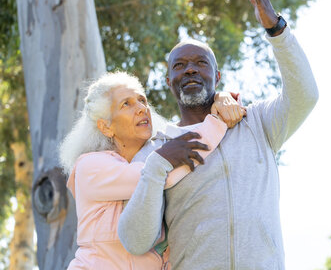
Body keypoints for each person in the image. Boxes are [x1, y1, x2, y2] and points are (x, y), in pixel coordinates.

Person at [118, 0, 319, 269]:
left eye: (201, 62)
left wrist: (277, 30)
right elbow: (135, 240)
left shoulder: (257, 123)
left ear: (217, 76)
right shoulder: (154, 151)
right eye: (180, 65)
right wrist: (158, 164)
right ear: (169, 81)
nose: (190, 69)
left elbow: (306, 95)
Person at [58, 71, 244, 269]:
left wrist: (222, 98)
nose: (141, 109)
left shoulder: (153, 155)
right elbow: (161, 172)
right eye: (126, 104)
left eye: (142, 100)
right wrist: (218, 120)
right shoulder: (91, 167)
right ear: (106, 127)